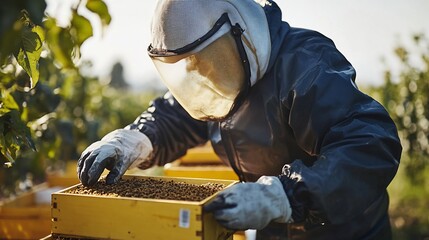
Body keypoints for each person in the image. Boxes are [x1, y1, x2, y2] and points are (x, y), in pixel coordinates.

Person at [77, 0, 402, 239]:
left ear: (242, 35)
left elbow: (369, 145)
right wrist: (133, 140)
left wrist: (287, 195)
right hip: (273, 227)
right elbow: (176, 115)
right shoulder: (219, 74)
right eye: (189, 62)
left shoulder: (305, 65)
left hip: (342, 228)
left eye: (206, 57)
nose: (199, 71)